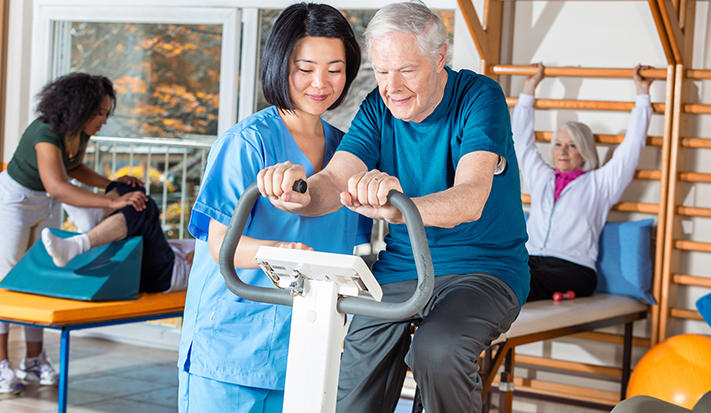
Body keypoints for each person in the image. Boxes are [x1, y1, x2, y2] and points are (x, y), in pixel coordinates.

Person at [257, 2, 529, 412]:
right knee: (357, 367)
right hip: (404, 267)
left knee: (438, 350)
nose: (392, 87)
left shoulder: (478, 97)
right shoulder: (378, 107)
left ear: (439, 59)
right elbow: (335, 179)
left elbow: (470, 199)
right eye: (382, 72)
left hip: (484, 268)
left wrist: (400, 209)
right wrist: (300, 194)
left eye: (406, 71)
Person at [177, 4, 368, 412]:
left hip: (307, 345)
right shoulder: (248, 143)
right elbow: (219, 245)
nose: (321, 82)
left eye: (335, 69)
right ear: (281, 65)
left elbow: (350, 246)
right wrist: (286, 258)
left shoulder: (345, 152)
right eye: (305, 68)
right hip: (233, 348)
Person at [0, 73, 147, 394]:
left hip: (44, 202)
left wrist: (113, 184)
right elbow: (58, 186)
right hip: (14, 200)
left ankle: (33, 361)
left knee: (38, 277)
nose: (103, 119)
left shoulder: (78, 133)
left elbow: (72, 169)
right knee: (1, 279)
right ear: (78, 107)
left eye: (105, 112)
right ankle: (0, 366)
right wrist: (112, 199)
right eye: (98, 113)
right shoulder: (45, 132)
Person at [513, 63, 653, 302]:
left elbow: (631, 148)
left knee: (521, 280)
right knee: (498, 273)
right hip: (531, 259)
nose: (562, 152)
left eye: (572, 145)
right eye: (558, 144)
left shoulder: (600, 183)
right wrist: (529, 88)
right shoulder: (542, 177)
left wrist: (642, 96)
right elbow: (521, 140)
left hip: (575, 268)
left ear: (585, 150)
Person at [41, 181, 195, 294]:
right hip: (165, 255)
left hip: (167, 274)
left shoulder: (213, 254)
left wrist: (207, 257)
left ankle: (78, 245)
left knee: (145, 207)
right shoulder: (211, 241)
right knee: (132, 186)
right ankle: (96, 217)